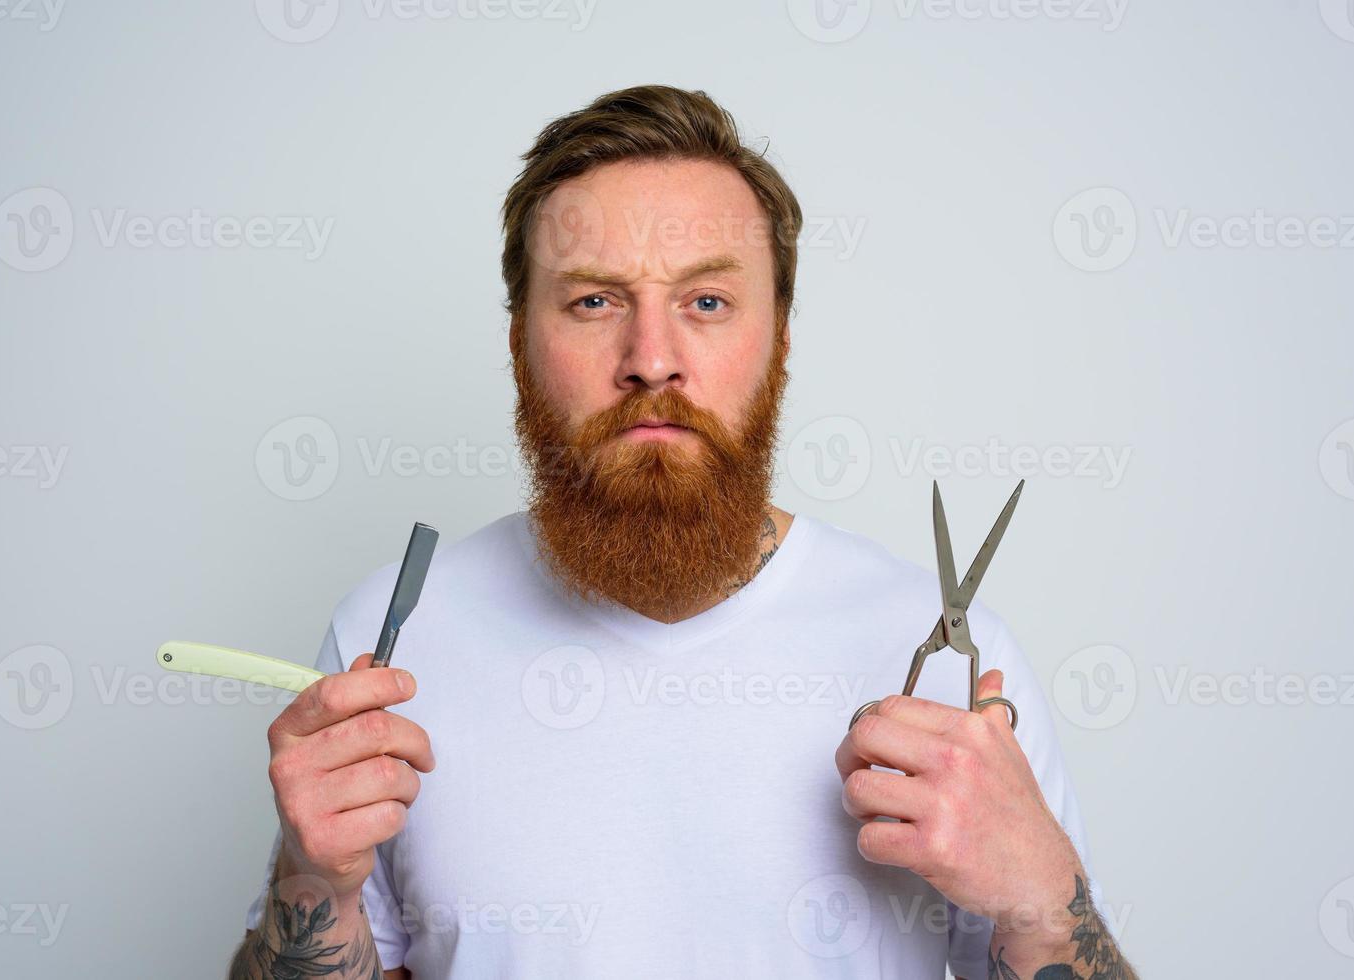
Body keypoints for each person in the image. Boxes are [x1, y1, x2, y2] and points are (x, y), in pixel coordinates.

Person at [227, 84, 1137, 980]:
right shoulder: (391, 639)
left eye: (705, 301)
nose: (651, 360)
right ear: (518, 344)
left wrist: (1043, 900)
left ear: (778, 338)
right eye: (593, 302)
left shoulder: (950, 672)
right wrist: (315, 885)